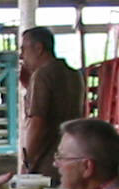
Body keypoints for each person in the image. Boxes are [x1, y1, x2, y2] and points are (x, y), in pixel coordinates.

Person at [18, 26, 83, 179]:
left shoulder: (42, 74)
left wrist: (27, 162)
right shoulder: (74, 74)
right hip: (71, 155)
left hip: (47, 160)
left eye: (24, 49)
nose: (22, 56)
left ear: (39, 48)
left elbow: (38, 122)